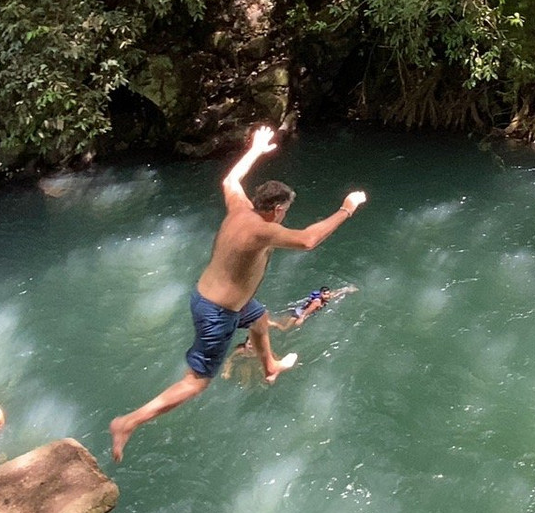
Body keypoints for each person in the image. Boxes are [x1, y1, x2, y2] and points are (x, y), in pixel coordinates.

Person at [109, 125, 367, 462]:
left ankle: (270, 364)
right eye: (284, 211)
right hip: (217, 312)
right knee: (197, 382)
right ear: (275, 210)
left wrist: (256, 149)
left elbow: (230, 181)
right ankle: (128, 422)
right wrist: (347, 208)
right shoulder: (262, 231)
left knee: (259, 318)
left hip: (213, 296)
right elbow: (308, 240)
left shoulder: (240, 207)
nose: (284, 216)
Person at [268, 285, 358, 331]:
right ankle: (271, 324)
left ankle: (269, 322)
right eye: (325, 294)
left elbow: (335, 293)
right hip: (297, 315)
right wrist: (301, 319)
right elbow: (306, 312)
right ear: (321, 294)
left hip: (296, 310)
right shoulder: (317, 302)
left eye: (328, 293)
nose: (327, 296)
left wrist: (347, 289)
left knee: (281, 320)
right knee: (284, 329)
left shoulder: (326, 296)